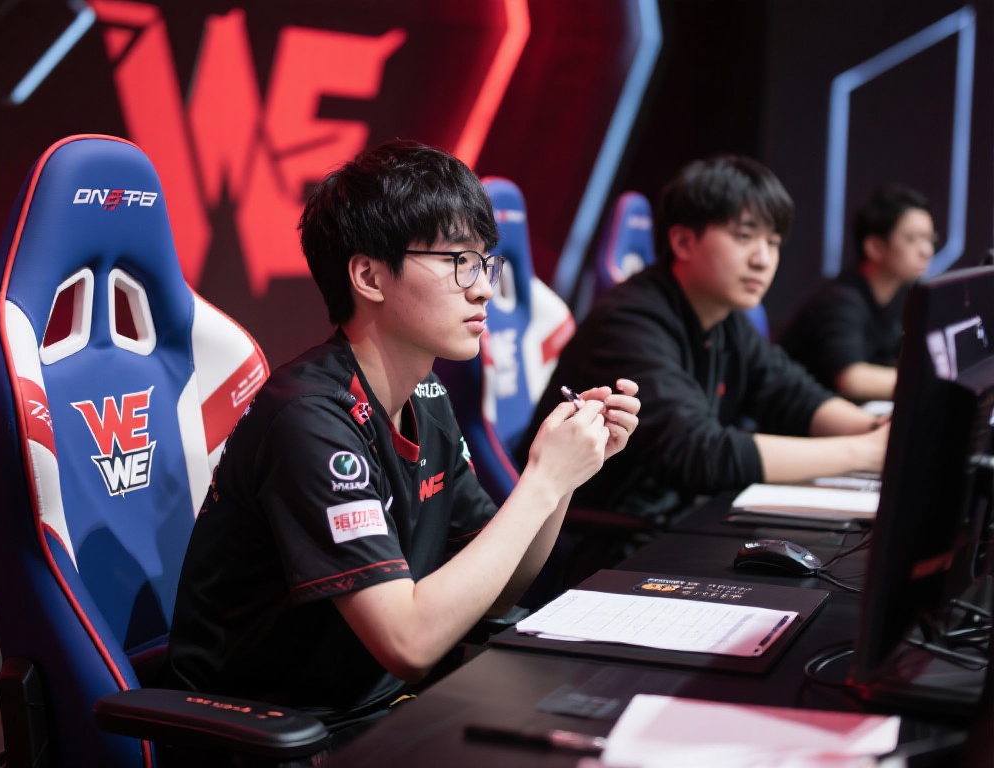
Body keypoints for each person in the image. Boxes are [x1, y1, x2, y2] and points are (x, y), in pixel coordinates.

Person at [163, 139, 640, 740]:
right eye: (457, 261)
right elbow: (408, 643)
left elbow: (498, 590)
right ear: (368, 276)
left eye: (485, 262)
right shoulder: (309, 418)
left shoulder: (426, 397)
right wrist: (542, 481)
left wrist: (565, 475)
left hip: (387, 713)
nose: (483, 289)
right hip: (277, 740)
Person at [518, 154, 888, 524]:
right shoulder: (629, 321)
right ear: (683, 241)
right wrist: (866, 453)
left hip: (675, 522)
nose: (763, 259)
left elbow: (789, 393)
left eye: (773, 242)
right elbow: (698, 452)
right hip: (608, 536)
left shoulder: (723, 316)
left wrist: (876, 431)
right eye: (744, 236)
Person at [779, 185, 936, 402]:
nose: (927, 251)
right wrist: (933, 384)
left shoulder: (902, 294)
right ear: (875, 247)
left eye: (930, 239)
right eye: (912, 239)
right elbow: (852, 378)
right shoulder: (840, 300)